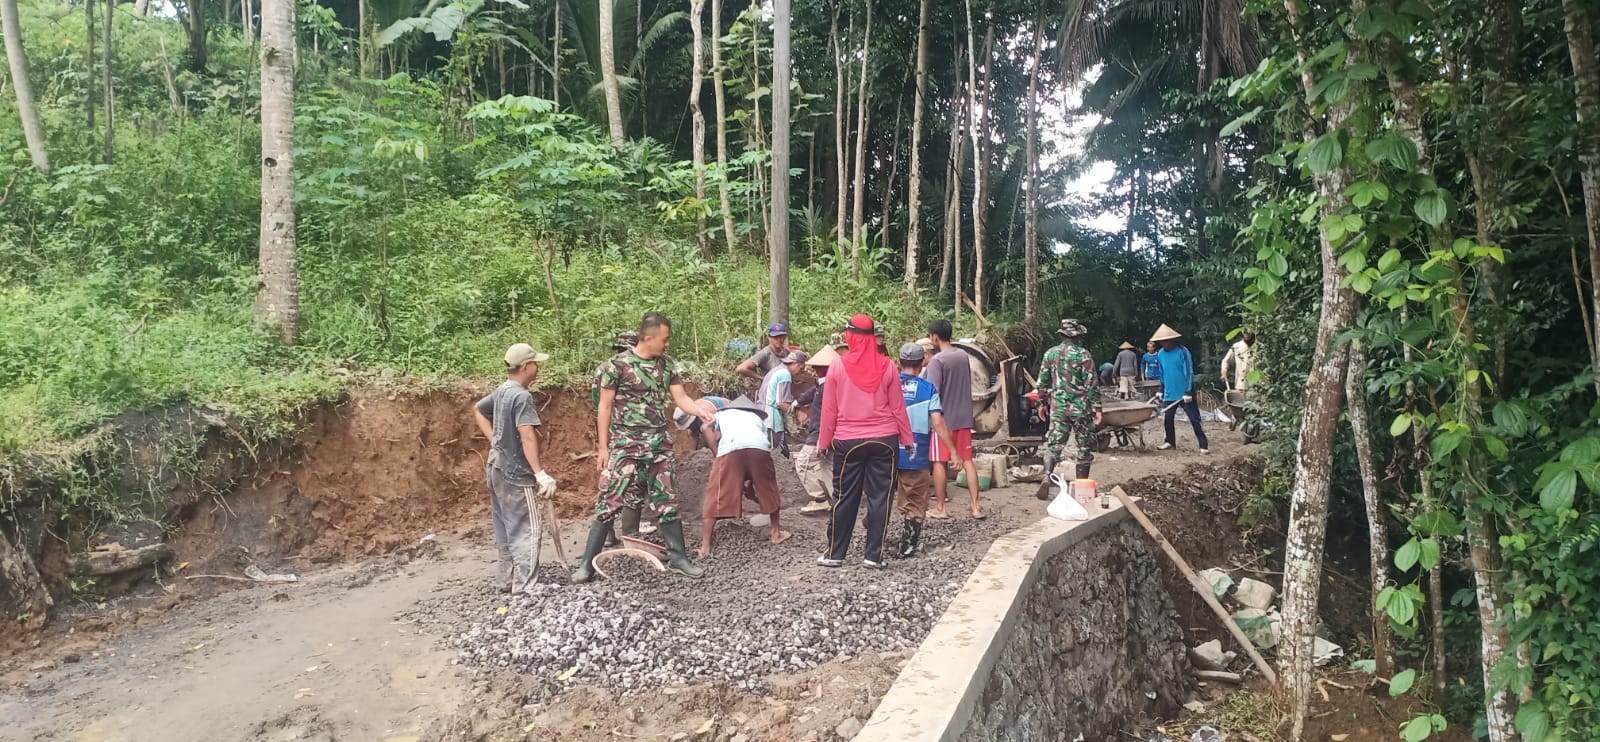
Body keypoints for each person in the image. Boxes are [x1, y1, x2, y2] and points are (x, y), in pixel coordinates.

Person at [572, 313, 717, 582]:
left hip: (658, 445)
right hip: (625, 445)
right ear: (648, 338)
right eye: (665, 339)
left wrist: (699, 410)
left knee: (667, 501)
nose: (667, 344)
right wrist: (603, 448)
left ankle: (678, 559)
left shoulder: (667, 365)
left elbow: (681, 398)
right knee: (609, 502)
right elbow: (604, 407)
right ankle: (586, 565)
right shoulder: (615, 366)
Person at [817, 314, 913, 569]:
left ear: (849, 336)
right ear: (872, 338)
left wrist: (823, 442)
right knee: (880, 498)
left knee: (844, 497)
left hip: (848, 441)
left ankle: (835, 554)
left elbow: (829, 409)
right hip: (885, 440)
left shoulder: (837, 366)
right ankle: (873, 556)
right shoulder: (888, 365)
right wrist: (908, 439)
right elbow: (898, 407)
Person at [472, 343, 558, 593]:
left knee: (505, 527)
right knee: (527, 528)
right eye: (535, 364)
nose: (538, 368)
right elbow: (527, 436)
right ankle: (525, 586)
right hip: (515, 473)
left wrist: (496, 442)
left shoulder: (502, 390)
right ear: (526, 367)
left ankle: (506, 579)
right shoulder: (522, 396)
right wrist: (540, 474)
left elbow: (478, 410)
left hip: (496, 467)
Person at [697, 399, 791, 557]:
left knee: (715, 495)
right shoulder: (757, 418)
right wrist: (751, 487)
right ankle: (776, 534)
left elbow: (705, 427)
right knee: (769, 489)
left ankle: (705, 547)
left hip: (731, 449)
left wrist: (717, 454)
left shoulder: (721, 415)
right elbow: (753, 446)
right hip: (759, 449)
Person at [894, 343, 958, 558]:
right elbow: (938, 422)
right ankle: (908, 545)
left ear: (899, 361)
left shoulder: (888, 386)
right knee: (916, 499)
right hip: (915, 453)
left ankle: (875, 543)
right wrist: (953, 451)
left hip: (887, 450)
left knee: (881, 495)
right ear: (923, 363)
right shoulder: (928, 389)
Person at [1034, 319, 1103, 500]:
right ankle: (1081, 488)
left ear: (1062, 335)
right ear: (1077, 336)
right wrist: (1097, 408)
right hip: (1081, 409)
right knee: (1084, 446)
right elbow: (1091, 384)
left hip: (1058, 407)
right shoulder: (1083, 355)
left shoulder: (1050, 354)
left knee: (1054, 444)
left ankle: (1047, 476)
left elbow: (1042, 382)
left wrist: (1042, 403)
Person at [923, 319, 984, 519]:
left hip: (944, 421)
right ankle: (976, 507)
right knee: (967, 461)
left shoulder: (937, 361)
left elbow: (934, 392)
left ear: (935, 337)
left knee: (939, 462)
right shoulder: (962, 355)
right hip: (964, 418)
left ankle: (941, 508)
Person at [794, 346, 841, 514]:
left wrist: (822, 438)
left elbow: (826, 413)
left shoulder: (826, 387)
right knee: (827, 465)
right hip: (832, 433)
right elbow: (813, 392)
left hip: (820, 433)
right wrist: (799, 401)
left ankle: (819, 499)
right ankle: (838, 500)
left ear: (817, 369)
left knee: (803, 462)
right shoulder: (831, 385)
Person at [1152, 323, 1209, 454]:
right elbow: (1162, 373)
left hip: (1184, 392)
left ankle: (1203, 445)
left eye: (1165, 340)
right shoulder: (1160, 354)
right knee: (1168, 418)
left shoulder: (1183, 351)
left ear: (1171, 339)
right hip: (1169, 392)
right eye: (1161, 341)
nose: (1163, 343)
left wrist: (1188, 391)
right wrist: (1161, 389)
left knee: (1194, 419)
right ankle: (1170, 442)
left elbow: (1189, 371)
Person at [757, 349, 809, 455]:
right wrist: (799, 413)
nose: (800, 372)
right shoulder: (785, 374)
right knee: (774, 451)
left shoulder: (776, 370)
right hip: (771, 418)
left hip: (761, 413)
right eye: (801, 368)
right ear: (795, 363)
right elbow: (781, 403)